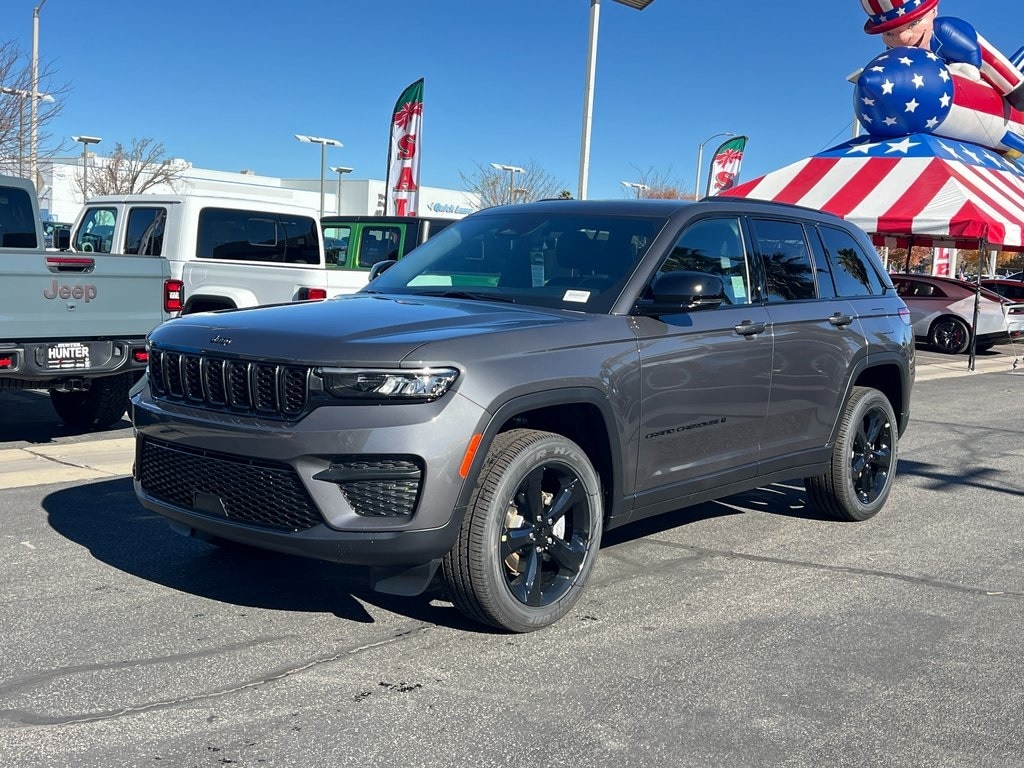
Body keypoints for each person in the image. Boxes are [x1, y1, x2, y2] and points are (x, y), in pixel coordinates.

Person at [861, 0, 1024, 111]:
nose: (903, 38)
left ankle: (1017, 88)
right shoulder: (892, 50)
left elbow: (971, 51)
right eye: (889, 33)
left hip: (967, 53)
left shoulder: (945, 32)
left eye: (913, 23)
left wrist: (968, 66)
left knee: (1006, 79)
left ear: (933, 11)